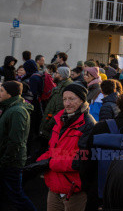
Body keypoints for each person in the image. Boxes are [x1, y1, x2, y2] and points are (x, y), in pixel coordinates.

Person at [37, 83, 95, 211]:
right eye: (64, 99)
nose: (67, 103)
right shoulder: (60, 120)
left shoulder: (88, 124)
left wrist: (51, 163)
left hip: (73, 190)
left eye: (72, 99)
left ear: (82, 100)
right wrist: (38, 163)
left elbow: (82, 159)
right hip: (54, 186)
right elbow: (52, 149)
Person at [0, 81, 37, 211]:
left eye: (1, 91)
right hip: (7, 159)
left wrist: (4, 161)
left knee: (16, 196)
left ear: (10, 94)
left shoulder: (17, 111)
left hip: (11, 162)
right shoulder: (9, 107)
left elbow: (16, 141)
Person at [39, 67, 72, 141]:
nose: (54, 74)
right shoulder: (59, 86)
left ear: (61, 76)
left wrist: (47, 125)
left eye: (57, 73)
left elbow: (59, 111)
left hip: (53, 127)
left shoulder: (64, 89)